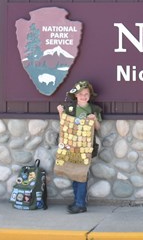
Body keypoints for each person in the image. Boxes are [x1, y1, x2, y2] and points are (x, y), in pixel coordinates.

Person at [56, 80, 102, 214]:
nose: (83, 96)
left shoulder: (93, 109)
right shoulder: (70, 109)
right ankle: (77, 200)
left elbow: (98, 128)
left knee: (81, 174)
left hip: (86, 147)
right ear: (76, 95)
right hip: (72, 146)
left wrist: (94, 120)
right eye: (81, 94)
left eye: (86, 94)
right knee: (74, 173)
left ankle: (80, 204)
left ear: (90, 95)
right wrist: (60, 112)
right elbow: (64, 124)